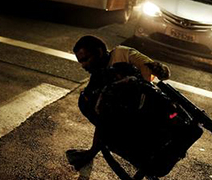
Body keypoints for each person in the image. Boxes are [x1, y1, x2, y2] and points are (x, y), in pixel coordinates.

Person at [67, 35, 170, 170]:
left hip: (149, 105)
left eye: (86, 59)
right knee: (86, 101)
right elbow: (101, 118)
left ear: (99, 52)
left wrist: (158, 69)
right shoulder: (96, 79)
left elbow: (156, 70)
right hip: (129, 120)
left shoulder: (122, 53)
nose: (83, 66)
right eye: (81, 62)